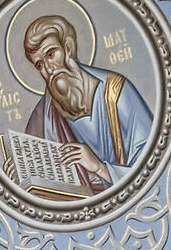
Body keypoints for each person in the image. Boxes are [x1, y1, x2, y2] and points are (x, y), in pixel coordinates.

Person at [13, 11, 154, 194]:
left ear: (68, 48)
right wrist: (21, 178)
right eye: (39, 64)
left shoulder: (116, 92)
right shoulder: (42, 116)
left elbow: (153, 167)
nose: (48, 68)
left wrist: (99, 168)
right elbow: (42, 185)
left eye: (51, 54)